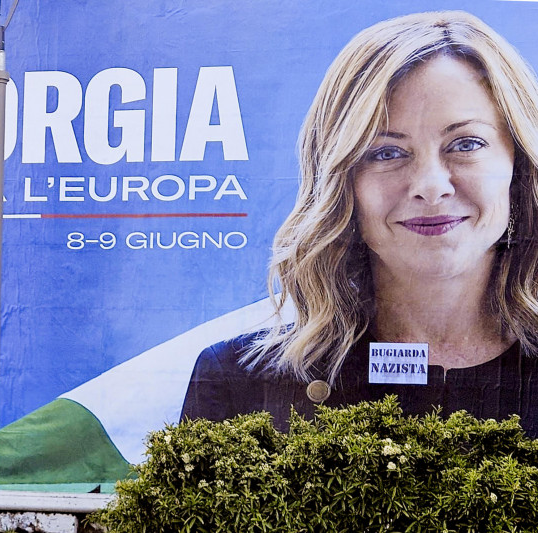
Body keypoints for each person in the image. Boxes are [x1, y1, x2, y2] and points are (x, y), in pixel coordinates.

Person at [182, 10, 538, 434]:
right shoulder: (237, 382)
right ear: (342, 186)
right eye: (386, 152)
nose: (431, 186)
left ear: (519, 166)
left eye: (465, 144)